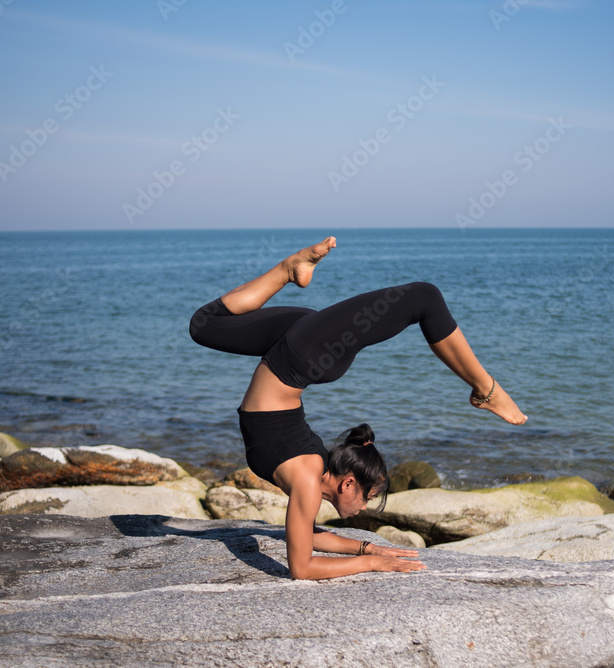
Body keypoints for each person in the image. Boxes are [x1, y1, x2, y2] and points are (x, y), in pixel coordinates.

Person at [189, 236, 527, 580]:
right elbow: (303, 568)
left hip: (295, 351)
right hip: (303, 354)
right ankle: (485, 390)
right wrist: (371, 561)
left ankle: (289, 269)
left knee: (204, 324)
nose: (364, 507)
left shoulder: (309, 478)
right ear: (348, 484)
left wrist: (367, 547)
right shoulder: (307, 478)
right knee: (424, 297)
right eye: (368, 498)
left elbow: (307, 538)